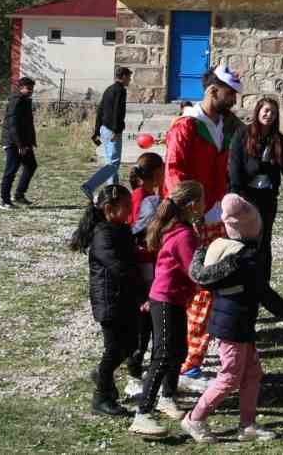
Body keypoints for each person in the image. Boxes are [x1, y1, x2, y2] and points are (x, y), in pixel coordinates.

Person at [179, 194, 283, 443]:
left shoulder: (220, 247)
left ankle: (247, 424)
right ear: (252, 229)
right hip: (234, 326)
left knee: (252, 373)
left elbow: (202, 273)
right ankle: (195, 419)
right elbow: (263, 292)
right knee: (229, 376)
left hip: (232, 323)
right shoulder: (246, 259)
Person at [163, 64, 244, 391]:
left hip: (214, 216)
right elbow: (174, 170)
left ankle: (189, 358)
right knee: (190, 289)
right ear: (213, 91)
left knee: (208, 290)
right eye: (230, 94)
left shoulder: (222, 125)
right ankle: (185, 363)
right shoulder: (186, 126)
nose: (235, 100)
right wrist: (189, 211)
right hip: (193, 218)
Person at [130, 180, 205, 437]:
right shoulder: (182, 234)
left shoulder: (182, 229)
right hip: (165, 300)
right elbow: (195, 270)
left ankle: (167, 396)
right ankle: (142, 414)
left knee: (178, 350)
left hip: (173, 299)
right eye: (203, 201)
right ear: (193, 205)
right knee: (162, 355)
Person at [69, 184, 145, 417]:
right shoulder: (103, 235)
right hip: (110, 301)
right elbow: (119, 267)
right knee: (114, 348)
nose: (130, 211)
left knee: (131, 344)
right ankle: (101, 397)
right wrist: (144, 287)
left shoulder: (119, 227)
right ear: (109, 209)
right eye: (126, 207)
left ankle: (102, 372)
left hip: (124, 298)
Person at [227, 97, 283, 283]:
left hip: (267, 197)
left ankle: (263, 285)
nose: (269, 115)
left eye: (273, 112)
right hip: (246, 196)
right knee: (243, 241)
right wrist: (235, 195)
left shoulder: (279, 140)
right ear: (258, 111)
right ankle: (243, 283)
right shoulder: (242, 134)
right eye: (266, 110)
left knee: (264, 242)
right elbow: (234, 165)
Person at [124, 154, 167, 398]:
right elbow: (137, 232)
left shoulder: (145, 196)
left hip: (150, 265)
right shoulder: (143, 199)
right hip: (145, 267)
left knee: (149, 322)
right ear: (157, 173)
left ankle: (143, 368)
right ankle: (134, 374)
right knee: (144, 323)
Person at [82, 67, 133, 201]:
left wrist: (97, 130)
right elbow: (118, 111)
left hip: (104, 129)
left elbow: (100, 110)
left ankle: (113, 191)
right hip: (112, 131)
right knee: (113, 164)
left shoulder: (109, 89)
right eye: (129, 77)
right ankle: (89, 185)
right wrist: (116, 130)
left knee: (111, 162)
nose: (130, 80)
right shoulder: (120, 90)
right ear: (123, 76)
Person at [0, 76, 38, 209]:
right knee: (11, 170)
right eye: (29, 88)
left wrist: (29, 142)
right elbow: (13, 124)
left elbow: (26, 124)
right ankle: (4, 201)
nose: (31, 90)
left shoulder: (25, 100)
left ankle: (19, 195)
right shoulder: (16, 101)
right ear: (21, 88)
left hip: (23, 142)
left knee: (31, 165)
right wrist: (19, 144)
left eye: (32, 88)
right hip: (13, 141)